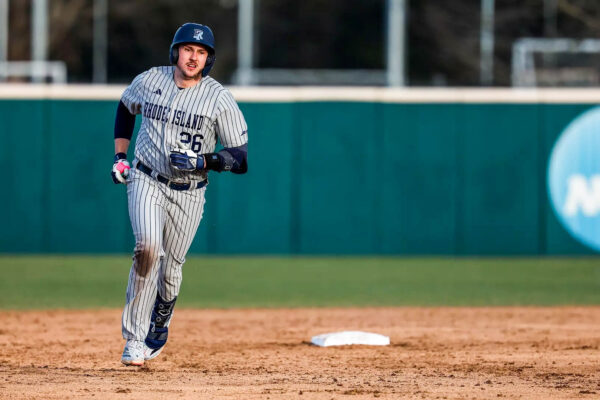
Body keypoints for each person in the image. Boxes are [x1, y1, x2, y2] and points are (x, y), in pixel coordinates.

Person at [111, 22, 248, 366]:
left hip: (189, 191)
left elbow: (240, 158)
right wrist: (119, 157)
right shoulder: (150, 80)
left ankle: (163, 312)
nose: (193, 57)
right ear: (176, 51)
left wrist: (204, 160)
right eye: (188, 49)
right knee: (147, 248)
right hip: (146, 177)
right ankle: (134, 338)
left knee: (170, 272)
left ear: (208, 59)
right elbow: (126, 109)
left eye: (201, 52)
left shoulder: (218, 99)